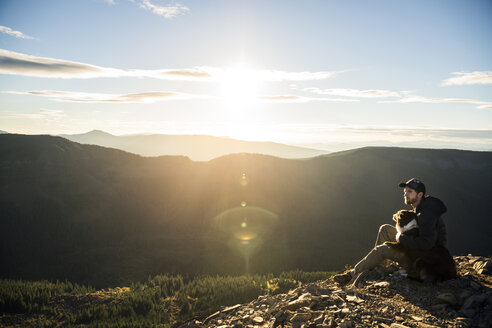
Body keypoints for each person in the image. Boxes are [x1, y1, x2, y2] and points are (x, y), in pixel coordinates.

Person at [333, 178, 448, 286]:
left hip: (422, 259)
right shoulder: (421, 208)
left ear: (420, 195)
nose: (405, 194)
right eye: (405, 191)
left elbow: (426, 244)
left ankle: (352, 274)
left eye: (409, 191)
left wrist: (400, 238)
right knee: (385, 229)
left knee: (380, 250)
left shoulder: (426, 214)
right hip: (416, 251)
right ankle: (377, 266)